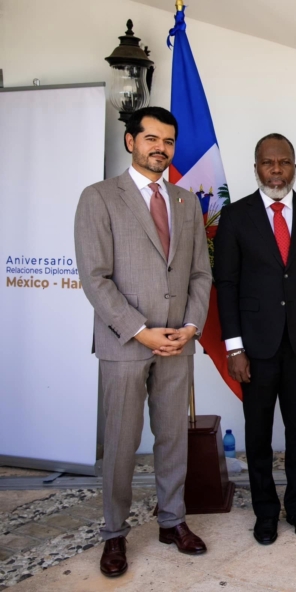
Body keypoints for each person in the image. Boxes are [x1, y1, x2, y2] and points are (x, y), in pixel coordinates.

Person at [74, 106, 212, 578]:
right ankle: (114, 533)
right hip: (125, 345)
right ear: (131, 141)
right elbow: (95, 278)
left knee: (173, 438)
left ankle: (172, 521)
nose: (161, 148)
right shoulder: (99, 198)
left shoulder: (186, 202)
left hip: (178, 342)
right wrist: (138, 329)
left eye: (168, 141)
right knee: (121, 442)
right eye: (151, 138)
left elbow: (200, 273)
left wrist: (191, 326)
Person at [214, 133, 296, 545]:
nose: (277, 170)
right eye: (269, 163)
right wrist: (234, 347)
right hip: (255, 348)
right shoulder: (235, 217)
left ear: (294, 167)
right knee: (259, 435)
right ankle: (265, 512)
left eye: (284, 162)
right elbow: (226, 285)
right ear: (257, 168)